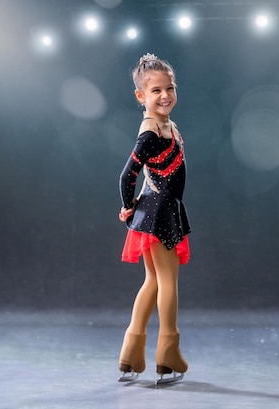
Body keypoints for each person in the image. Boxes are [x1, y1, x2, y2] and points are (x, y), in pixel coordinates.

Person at [117, 53, 191, 385]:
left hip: (156, 208)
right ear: (141, 96)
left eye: (170, 88)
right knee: (168, 283)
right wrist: (127, 205)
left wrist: (136, 206)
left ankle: (131, 357)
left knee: (152, 282)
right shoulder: (150, 133)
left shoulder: (167, 126)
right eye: (156, 90)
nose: (165, 96)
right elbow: (126, 175)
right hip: (160, 212)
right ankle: (167, 355)